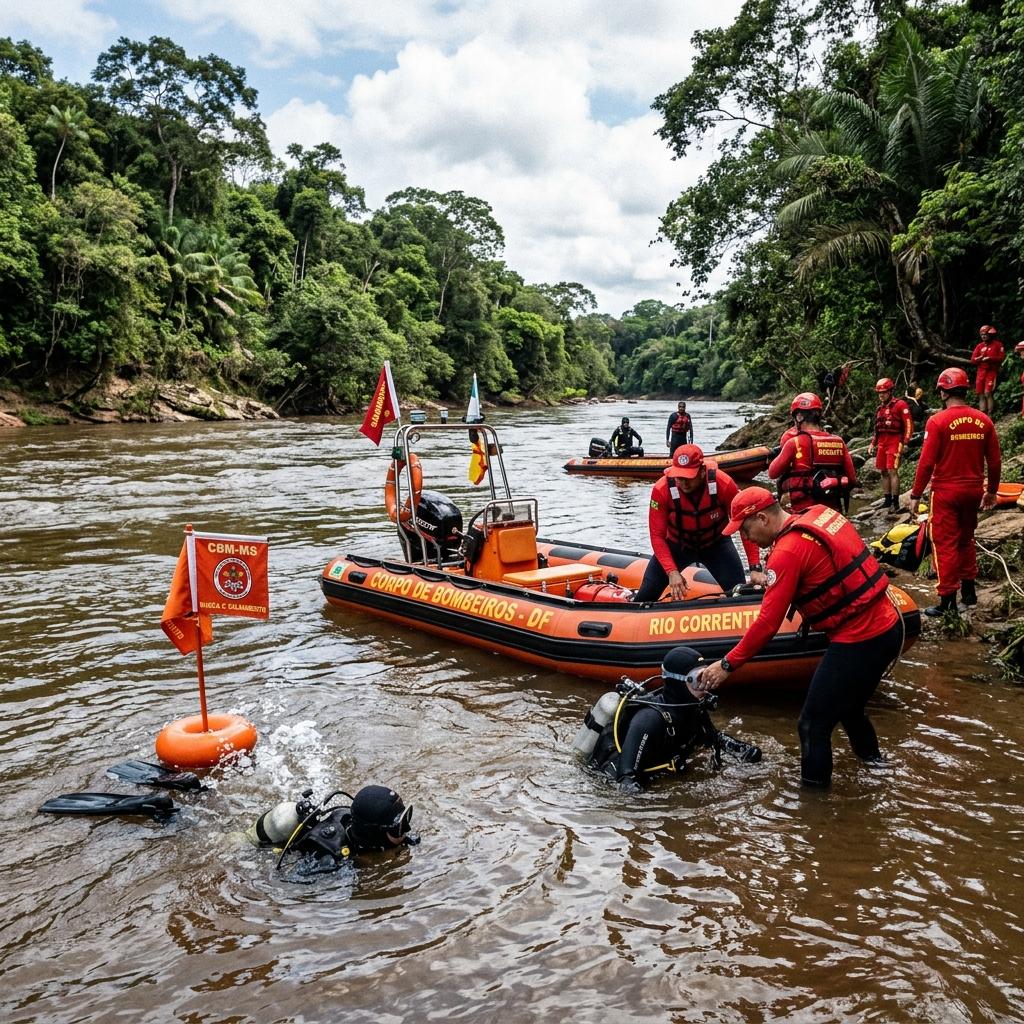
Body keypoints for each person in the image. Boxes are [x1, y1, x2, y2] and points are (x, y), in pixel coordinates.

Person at [695, 487, 902, 788]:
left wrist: (725, 666)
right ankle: (877, 770)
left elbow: (768, 623)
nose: (746, 538)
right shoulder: (817, 514)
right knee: (850, 708)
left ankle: (813, 811)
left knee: (812, 724)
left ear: (762, 518)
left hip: (861, 638)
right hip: (887, 627)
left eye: (745, 528)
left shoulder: (788, 552)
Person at [583, 646, 761, 794]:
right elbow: (626, 780)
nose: (704, 687)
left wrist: (744, 751)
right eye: (697, 681)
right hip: (606, 779)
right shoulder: (648, 719)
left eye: (705, 678)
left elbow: (714, 739)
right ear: (678, 682)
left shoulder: (693, 707)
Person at [907, 367, 1001, 617]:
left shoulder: (937, 421)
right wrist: (991, 491)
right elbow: (994, 461)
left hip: (946, 493)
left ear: (942, 392)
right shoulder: (984, 420)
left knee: (944, 543)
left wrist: (915, 495)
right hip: (973, 491)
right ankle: (969, 593)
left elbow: (926, 463)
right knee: (966, 539)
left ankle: (947, 601)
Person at [636, 444, 762, 601]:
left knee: (740, 596)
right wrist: (672, 572)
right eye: (679, 477)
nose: (683, 482)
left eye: (688, 477)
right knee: (645, 596)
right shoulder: (661, 489)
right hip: (677, 547)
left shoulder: (723, 484)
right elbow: (657, 536)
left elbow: (745, 526)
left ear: (702, 471)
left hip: (716, 546)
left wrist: (755, 567)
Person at [247, 784, 419, 878]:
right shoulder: (329, 859)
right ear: (374, 835)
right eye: (398, 827)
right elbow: (288, 881)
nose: (407, 829)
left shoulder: (361, 827)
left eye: (406, 818)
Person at [768, 397, 857, 513]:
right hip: (832, 511)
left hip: (804, 511)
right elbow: (852, 479)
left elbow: (772, 473)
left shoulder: (794, 443)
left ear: (799, 417)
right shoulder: (839, 442)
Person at [868, 377, 914, 511]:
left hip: (895, 441)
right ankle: (887, 500)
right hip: (882, 442)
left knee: (892, 471)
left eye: (884, 392)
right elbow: (877, 429)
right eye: (879, 393)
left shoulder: (900, 405)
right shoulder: (880, 409)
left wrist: (905, 442)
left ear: (890, 391)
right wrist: (872, 444)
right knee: (883, 471)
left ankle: (896, 502)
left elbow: (909, 425)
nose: (881, 395)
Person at [970, 324, 1006, 417]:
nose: (984, 336)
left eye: (985, 334)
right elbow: (973, 360)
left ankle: (990, 415)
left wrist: (989, 358)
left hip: (991, 371)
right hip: (980, 373)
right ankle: (983, 416)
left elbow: (1001, 358)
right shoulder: (979, 346)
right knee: (980, 394)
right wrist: (979, 358)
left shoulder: (998, 345)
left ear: (990, 334)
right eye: (982, 335)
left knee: (988, 393)